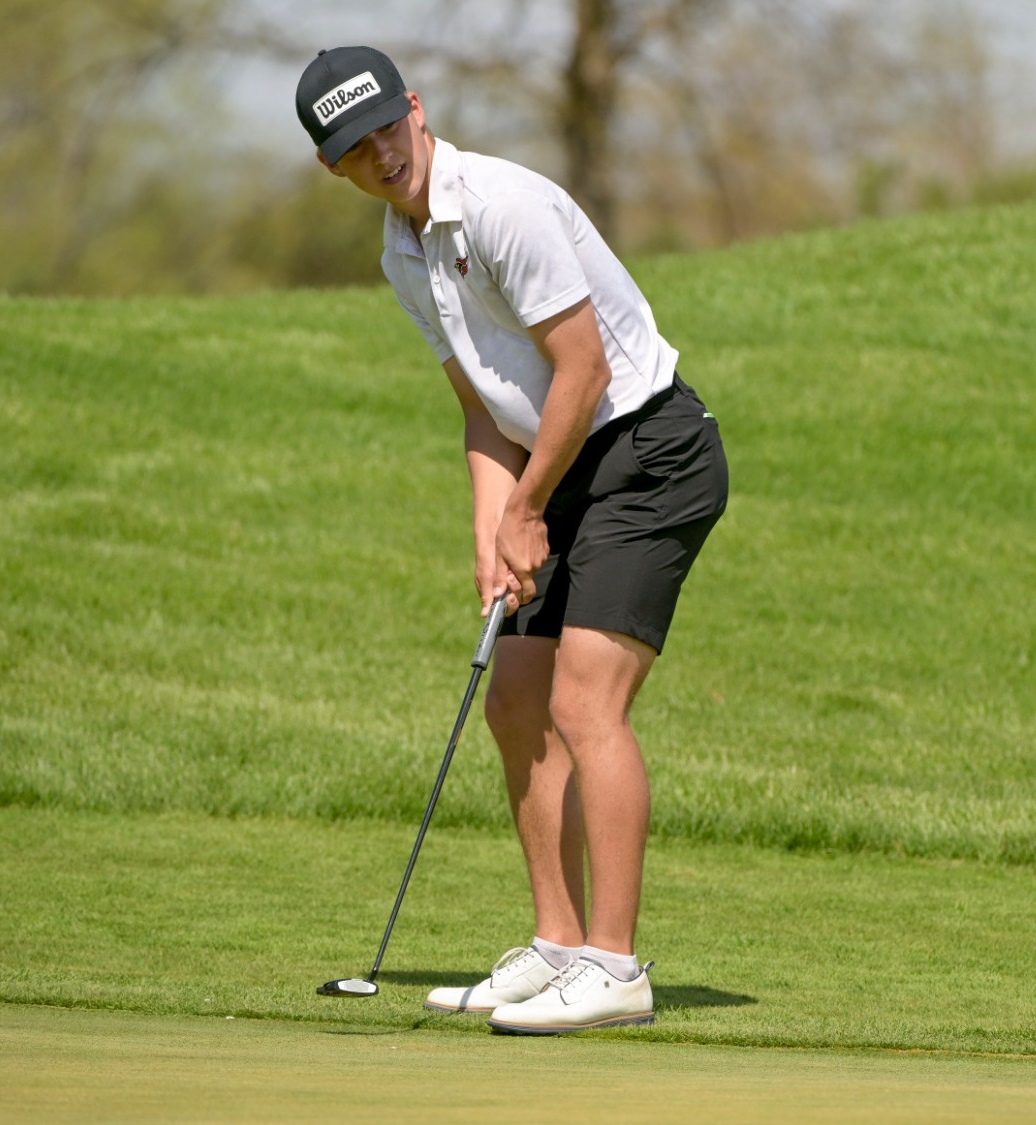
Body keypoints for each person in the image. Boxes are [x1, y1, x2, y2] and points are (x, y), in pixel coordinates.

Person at [294, 46, 728, 1034]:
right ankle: (558, 945)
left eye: (383, 131)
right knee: (516, 702)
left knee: (584, 699)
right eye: (353, 151)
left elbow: (578, 371)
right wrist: (491, 533)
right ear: (333, 168)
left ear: (413, 110)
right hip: (555, 463)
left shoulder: (500, 205)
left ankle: (616, 968)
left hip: (646, 451)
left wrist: (528, 510)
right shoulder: (399, 251)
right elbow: (485, 410)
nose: (378, 155)